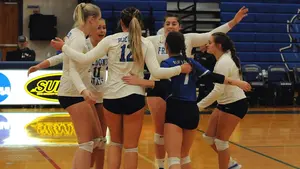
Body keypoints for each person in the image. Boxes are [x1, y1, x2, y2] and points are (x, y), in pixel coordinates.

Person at [50, 7, 192, 169]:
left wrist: (64, 47)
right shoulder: (144, 42)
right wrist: (180, 69)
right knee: (131, 147)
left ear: (121, 23)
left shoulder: (110, 40)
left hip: (111, 97)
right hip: (134, 96)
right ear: (139, 23)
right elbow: (156, 72)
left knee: (115, 144)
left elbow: (83, 59)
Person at [121, 31, 250, 169]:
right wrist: (237, 82)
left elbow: (163, 86)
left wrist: (139, 81)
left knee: (173, 159)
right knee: (185, 156)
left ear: (166, 46)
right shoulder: (191, 62)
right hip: (192, 111)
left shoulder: (167, 63)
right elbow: (212, 77)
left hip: (175, 108)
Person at [27, 18, 108, 169]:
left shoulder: (107, 46)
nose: (102, 31)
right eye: (98, 28)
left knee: (101, 141)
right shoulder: (83, 44)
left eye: (104, 28)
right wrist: (39, 65)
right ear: (91, 28)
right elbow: (61, 57)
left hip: (100, 95)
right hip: (85, 95)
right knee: (89, 142)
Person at [197, 32, 249, 169]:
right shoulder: (222, 58)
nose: (207, 45)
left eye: (210, 42)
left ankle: (227, 166)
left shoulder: (224, 62)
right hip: (223, 103)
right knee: (208, 137)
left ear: (218, 45)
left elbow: (217, 91)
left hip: (235, 104)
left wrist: (198, 107)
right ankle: (231, 164)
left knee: (221, 142)